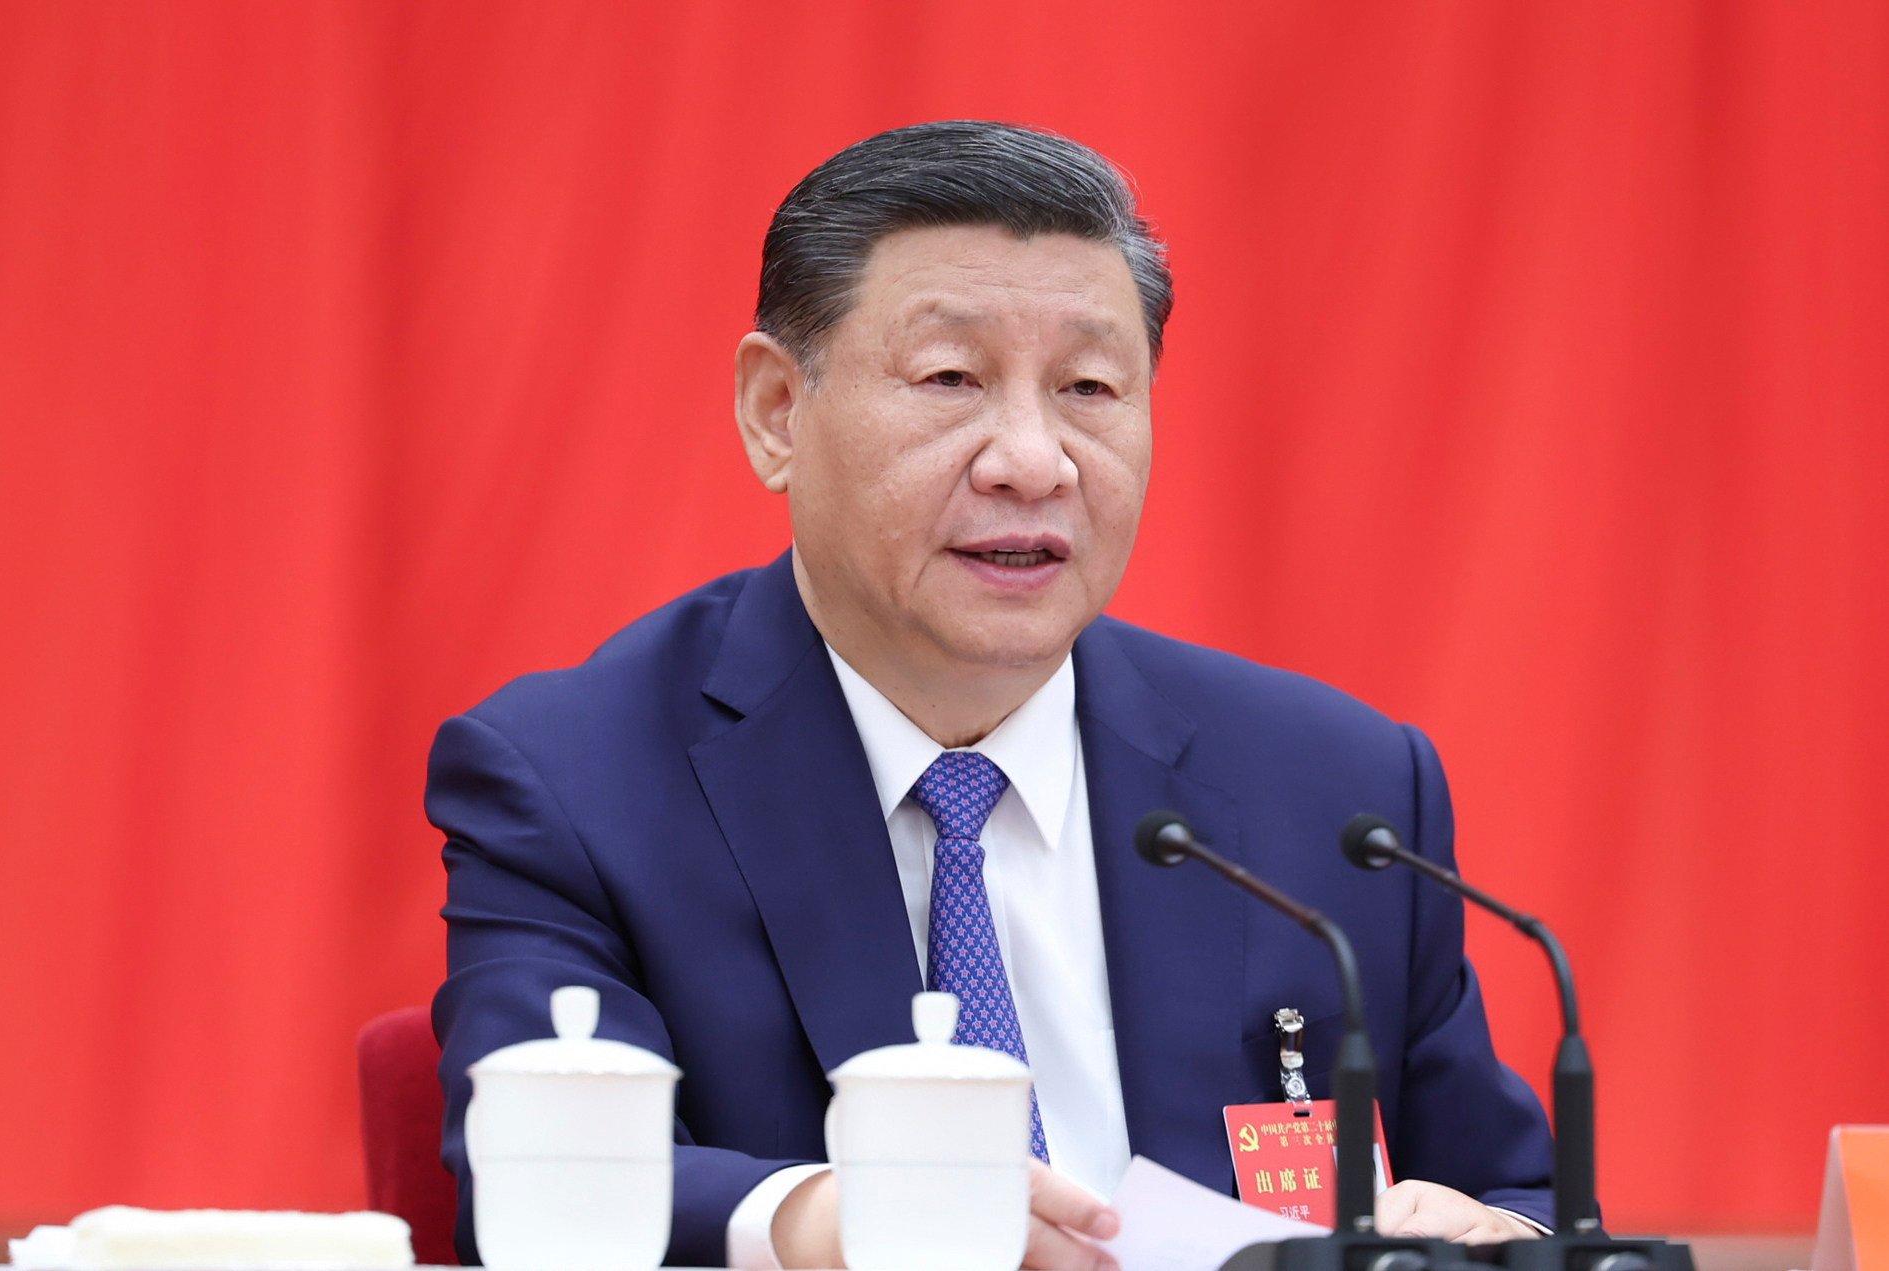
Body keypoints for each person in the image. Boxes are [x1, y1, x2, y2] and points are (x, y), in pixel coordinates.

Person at [428, 120, 1554, 1269]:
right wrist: (826, 1218)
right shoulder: (574, 778)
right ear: (776, 411)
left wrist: (1491, 1231)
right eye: (950, 378)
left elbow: (1510, 1184)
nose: (1032, 457)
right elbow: (535, 1177)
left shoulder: (1335, 788)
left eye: (1089, 387)